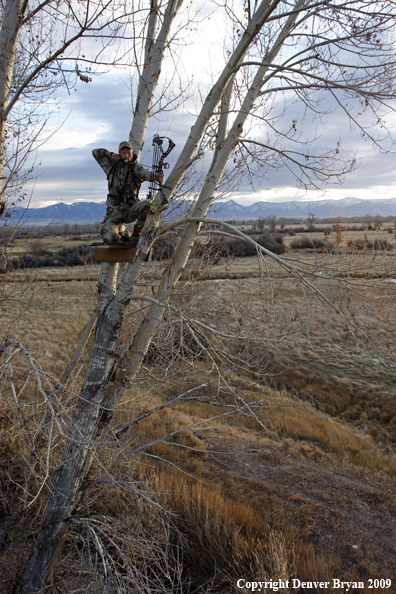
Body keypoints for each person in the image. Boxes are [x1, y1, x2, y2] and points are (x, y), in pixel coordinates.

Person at [92, 141, 165, 245]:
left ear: (132, 154)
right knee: (109, 239)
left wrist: (157, 177)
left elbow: (146, 174)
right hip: (114, 211)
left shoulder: (135, 168)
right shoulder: (111, 166)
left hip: (131, 209)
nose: (126, 155)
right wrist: (111, 154)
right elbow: (95, 152)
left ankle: (137, 233)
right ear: (119, 154)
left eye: (129, 153)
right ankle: (124, 235)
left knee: (150, 203)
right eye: (123, 153)